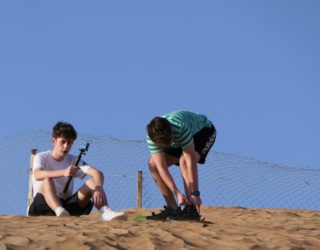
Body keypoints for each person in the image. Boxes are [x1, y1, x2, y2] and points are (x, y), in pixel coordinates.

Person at [28, 121, 127, 221]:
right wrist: (64, 172)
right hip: (41, 207)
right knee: (47, 180)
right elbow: (38, 174)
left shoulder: (74, 160)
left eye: (69, 143)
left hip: (66, 207)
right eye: (63, 142)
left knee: (93, 182)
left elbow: (96, 173)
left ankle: (105, 211)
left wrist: (98, 188)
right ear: (53, 141)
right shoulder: (41, 157)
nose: (66, 146)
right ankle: (59, 211)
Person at [146, 110, 216, 220]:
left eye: (168, 141)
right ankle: (172, 209)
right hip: (177, 139)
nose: (167, 145)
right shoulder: (151, 139)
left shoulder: (180, 128)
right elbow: (162, 168)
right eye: (164, 144)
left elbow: (190, 161)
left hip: (203, 131)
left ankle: (192, 209)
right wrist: (177, 193)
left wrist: (195, 193)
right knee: (153, 166)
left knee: (184, 161)